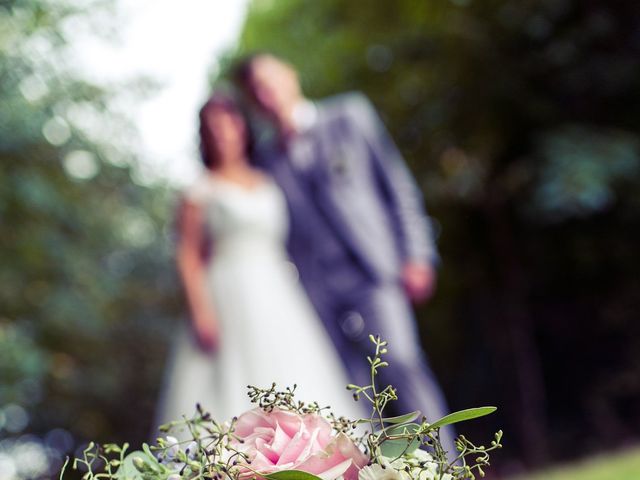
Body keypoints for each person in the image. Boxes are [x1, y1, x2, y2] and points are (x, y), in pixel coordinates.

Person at [233, 53, 456, 453]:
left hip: (373, 271)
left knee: (401, 363)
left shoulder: (349, 117)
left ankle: (446, 466)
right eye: (256, 90)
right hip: (314, 289)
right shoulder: (264, 161)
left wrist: (418, 254)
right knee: (350, 390)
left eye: (270, 81)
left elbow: (396, 185)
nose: (267, 93)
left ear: (291, 75)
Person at [155, 93, 362, 430]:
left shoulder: (270, 181)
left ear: (243, 128)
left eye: (229, 123)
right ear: (204, 135)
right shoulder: (198, 191)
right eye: (213, 127)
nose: (223, 132)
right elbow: (188, 256)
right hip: (226, 293)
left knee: (296, 373)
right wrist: (201, 312)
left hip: (279, 292)